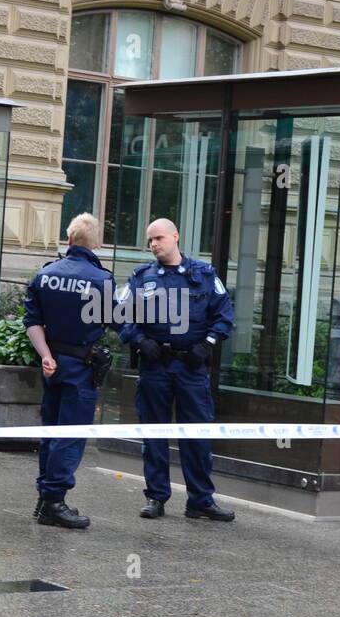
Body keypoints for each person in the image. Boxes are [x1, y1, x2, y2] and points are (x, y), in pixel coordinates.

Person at [118, 218, 236, 522]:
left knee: (196, 435)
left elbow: (224, 317)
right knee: (155, 435)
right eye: (150, 241)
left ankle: (200, 500)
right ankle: (156, 497)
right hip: (155, 367)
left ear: (175, 236)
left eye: (159, 238)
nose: (154, 244)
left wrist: (207, 344)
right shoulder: (141, 277)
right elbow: (121, 316)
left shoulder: (204, 275)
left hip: (191, 368)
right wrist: (140, 339)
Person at [22, 213, 115, 529]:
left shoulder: (45, 275)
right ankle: (54, 502)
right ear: (96, 244)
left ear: (70, 240)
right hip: (81, 368)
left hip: (53, 364)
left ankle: (44, 497)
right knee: (70, 435)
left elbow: (32, 321)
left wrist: (46, 356)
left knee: (50, 431)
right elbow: (117, 321)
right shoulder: (101, 280)